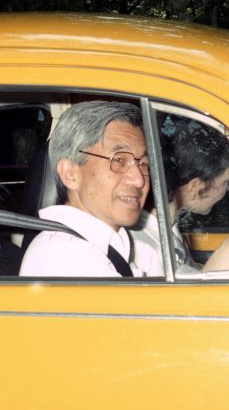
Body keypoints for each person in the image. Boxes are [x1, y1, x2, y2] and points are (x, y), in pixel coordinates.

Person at [131, 125, 229, 275]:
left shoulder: (165, 230)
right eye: (226, 181)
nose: (227, 189)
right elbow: (188, 302)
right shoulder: (144, 250)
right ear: (196, 187)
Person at [20, 100, 150, 277]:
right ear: (70, 174)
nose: (138, 180)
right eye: (119, 160)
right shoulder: (66, 259)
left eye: (144, 163)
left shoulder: (100, 245)